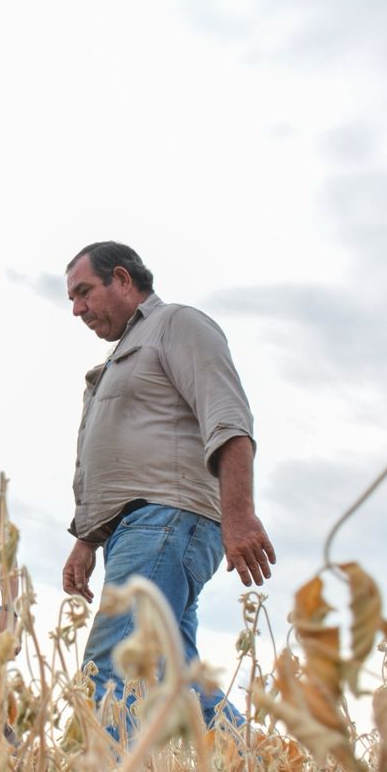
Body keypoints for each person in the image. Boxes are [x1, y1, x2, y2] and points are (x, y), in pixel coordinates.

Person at [61, 241, 275, 728]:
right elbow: (120, 454)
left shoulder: (176, 325)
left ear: (122, 278)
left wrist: (239, 513)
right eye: (72, 300)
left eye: (84, 292)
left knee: (113, 667)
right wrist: (87, 539)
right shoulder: (118, 360)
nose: (77, 310)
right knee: (179, 682)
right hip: (136, 530)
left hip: (167, 519)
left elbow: (228, 417)